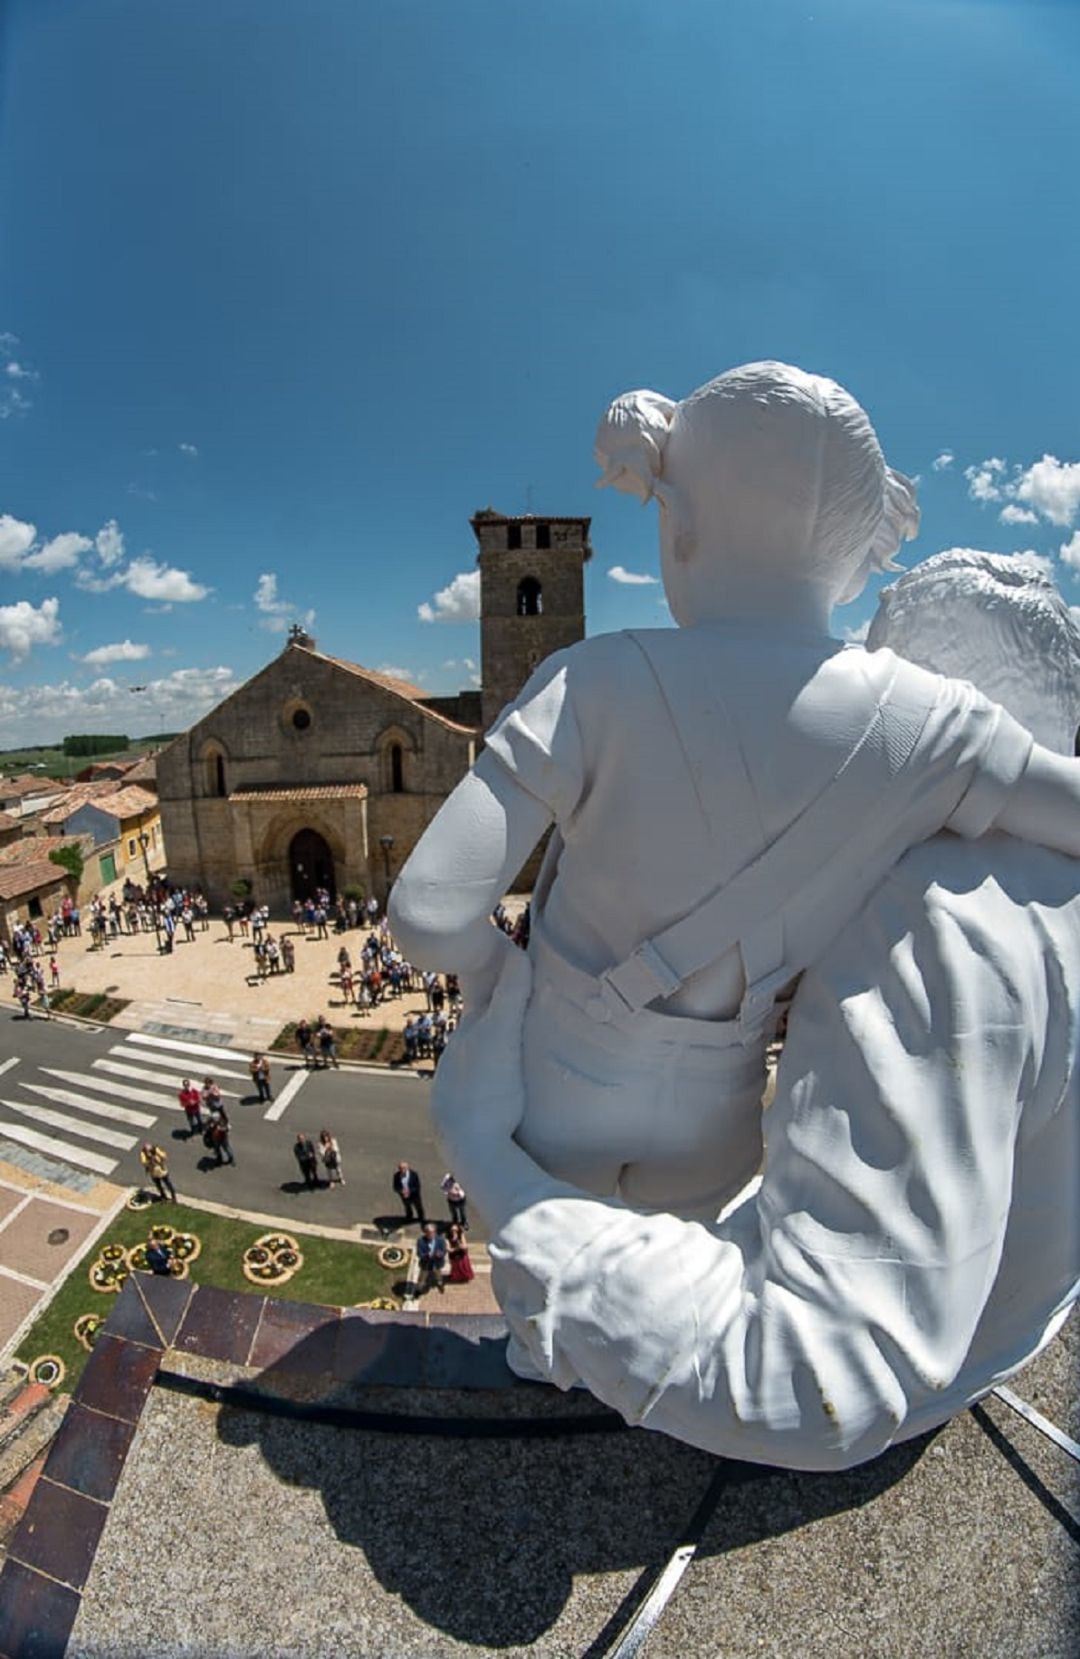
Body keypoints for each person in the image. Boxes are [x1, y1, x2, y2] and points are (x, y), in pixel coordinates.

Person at [429, 547, 1080, 1472]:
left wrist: (491, 1166)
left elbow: (821, 1380)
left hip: (924, 1377)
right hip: (1011, 1316)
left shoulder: (930, 919)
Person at [391, 361, 1080, 1224]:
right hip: (718, 1114)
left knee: (552, 1308)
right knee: (674, 1294)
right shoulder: (935, 720)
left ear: (676, 523)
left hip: (558, 1082)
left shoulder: (594, 680)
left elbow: (426, 914)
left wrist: (505, 972)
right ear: (856, 558)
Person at [416, 1223, 448, 1295]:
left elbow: (444, 1250)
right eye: (428, 1233)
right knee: (422, 1277)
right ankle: (419, 1288)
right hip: (426, 1263)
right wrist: (427, 1255)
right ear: (425, 1232)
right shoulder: (421, 1241)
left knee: (438, 1274)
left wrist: (440, 1254)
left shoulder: (440, 1240)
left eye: (432, 1232)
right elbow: (419, 1253)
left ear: (435, 1232)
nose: (430, 1234)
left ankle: (440, 1284)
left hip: (437, 1263)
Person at [392, 1161, 424, 1225]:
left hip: (414, 1195)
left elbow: (417, 1186)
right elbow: (395, 1187)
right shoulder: (396, 1176)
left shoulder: (414, 1174)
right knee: (407, 1207)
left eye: (404, 1168)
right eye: (400, 1168)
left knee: (418, 1206)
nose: (402, 1170)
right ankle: (409, 1218)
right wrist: (401, 1191)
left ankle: (421, 1219)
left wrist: (409, 1191)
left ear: (407, 1168)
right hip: (404, 1195)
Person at [206, 1103, 234, 1167]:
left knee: (226, 1148)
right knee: (219, 1149)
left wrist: (221, 1128)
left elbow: (228, 1128)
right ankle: (220, 1160)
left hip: (222, 1138)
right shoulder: (213, 1122)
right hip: (216, 1138)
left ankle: (230, 1159)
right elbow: (207, 1126)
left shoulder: (222, 1123)